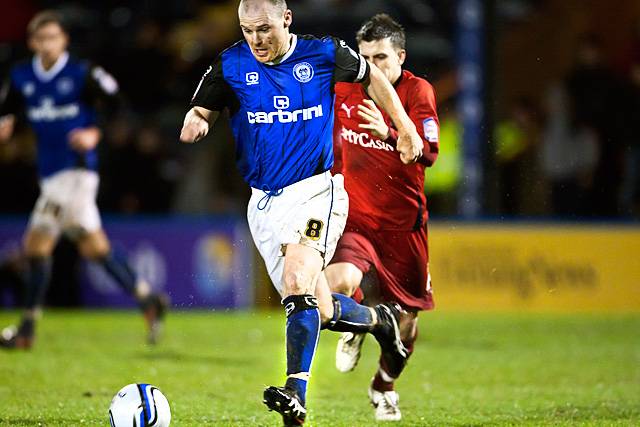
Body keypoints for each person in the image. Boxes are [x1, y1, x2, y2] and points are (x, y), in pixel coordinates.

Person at [179, 1, 424, 425]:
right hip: (263, 203)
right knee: (319, 308)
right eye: (247, 30)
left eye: (264, 29)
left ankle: (296, 395)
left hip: (317, 191)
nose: (256, 39)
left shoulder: (324, 53)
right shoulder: (232, 63)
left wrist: (403, 126)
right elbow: (202, 106)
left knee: (297, 278)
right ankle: (378, 321)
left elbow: (375, 80)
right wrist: (196, 120)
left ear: (286, 19)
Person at [0, 11, 168, 349]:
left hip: (76, 172)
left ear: (63, 40)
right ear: (33, 42)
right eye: (41, 38)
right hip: (49, 174)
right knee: (96, 248)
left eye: (54, 37)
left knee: (36, 245)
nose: (47, 44)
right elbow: (10, 107)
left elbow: (118, 105)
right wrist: (6, 122)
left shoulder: (82, 73)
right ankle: (148, 298)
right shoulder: (21, 76)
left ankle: (27, 330)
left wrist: (95, 132)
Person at [325, 14, 439, 421]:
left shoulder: (417, 91)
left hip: (402, 226)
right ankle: (358, 322)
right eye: (366, 57)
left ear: (401, 57)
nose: (374, 66)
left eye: (382, 57)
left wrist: (391, 132)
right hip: (353, 219)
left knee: (407, 326)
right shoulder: (344, 88)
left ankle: (383, 385)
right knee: (334, 286)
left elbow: (428, 152)